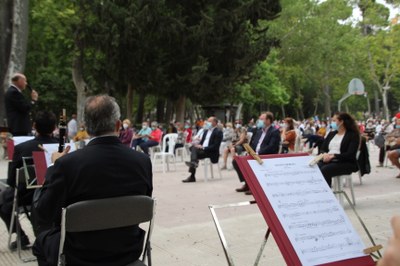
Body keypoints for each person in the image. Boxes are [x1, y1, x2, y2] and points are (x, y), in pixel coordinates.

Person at [32, 95, 153, 266]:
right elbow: (142, 203)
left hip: (80, 255)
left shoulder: (66, 164)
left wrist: (53, 164)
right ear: (118, 125)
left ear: (87, 128)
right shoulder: (142, 161)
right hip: (126, 250)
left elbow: (44, 214)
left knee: (41, 242)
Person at [0, 111, 58, 250]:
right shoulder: (62, 147)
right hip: (56, 193)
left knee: (3, 200)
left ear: (34, 126)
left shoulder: (21, 148)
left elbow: (11, 180)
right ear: (54, 127)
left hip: (27, 196)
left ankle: (21, 237)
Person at [233, 112, 280, 194]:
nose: (259, 121)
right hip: (255, 155)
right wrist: (249, 152)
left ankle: (256, 187)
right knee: (236, 161)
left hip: (265, 156)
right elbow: (254, 144)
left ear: (268, 120)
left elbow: (271, 147)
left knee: (252, 163)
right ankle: (247, 183)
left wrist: (257, 154)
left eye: (262, 119)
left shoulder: (274, 132)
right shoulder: (259, 131)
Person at [318, 112, 360, 187]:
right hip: (329, 160)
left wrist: (334, 156)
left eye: (334, 121)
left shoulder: (352, 135)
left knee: (325, 170)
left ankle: (327, 194)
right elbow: (322, 149)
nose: (332, 123)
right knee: (315, 168)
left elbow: (350, 154)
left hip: (345, 162)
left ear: (341, 122)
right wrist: (325, 154)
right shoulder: (331, 134)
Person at [182, 116, 223, 183]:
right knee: (193, 148)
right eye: (207, 121)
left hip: (211, 152)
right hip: (203, 151)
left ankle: (192, 175)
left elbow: (215, 146)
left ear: (215, 122)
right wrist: (199, 145)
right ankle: (194, 163)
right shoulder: (206, 131)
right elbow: (202, 142)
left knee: (194, 152)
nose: (207, 123)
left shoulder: (218, 132)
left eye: (209, 121)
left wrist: (203, 147)